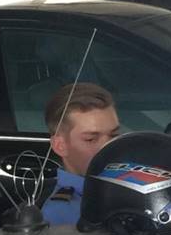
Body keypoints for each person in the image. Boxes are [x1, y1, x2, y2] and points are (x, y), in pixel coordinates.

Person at [42, 83, 120, 226]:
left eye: (114, 135)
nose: (108, 147)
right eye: (91, 139)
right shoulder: (60, 212)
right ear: (60, 146)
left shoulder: (123, 187)